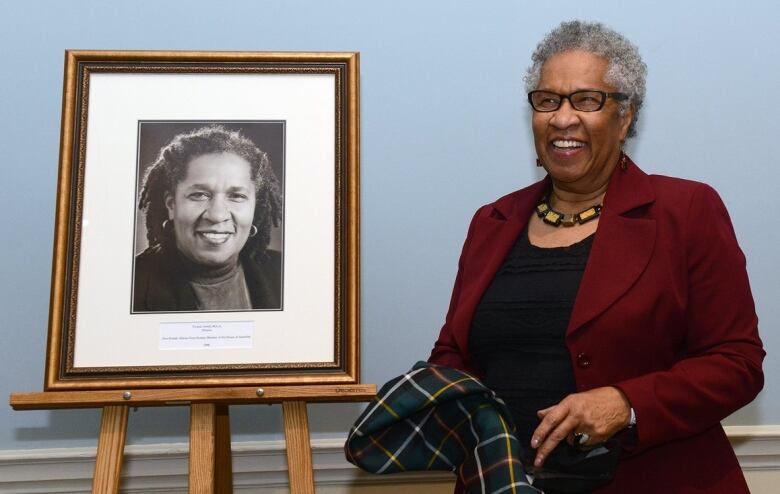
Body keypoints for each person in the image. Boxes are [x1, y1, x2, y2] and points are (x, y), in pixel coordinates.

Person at [428, 20, 764, 493]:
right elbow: (453, 353)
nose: (563, 118)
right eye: (548, 100)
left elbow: (737, 363)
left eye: (587, 100)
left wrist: (625, 403)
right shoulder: (492, 220)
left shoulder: (686, 211)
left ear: (625, 118)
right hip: (503, 482)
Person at [133, 125, 283, 312]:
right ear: (171, 205)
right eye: (199, 195)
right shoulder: (132, 281)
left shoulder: (284, 273)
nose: (217, 215)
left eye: (236, 196)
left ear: (255, 207)